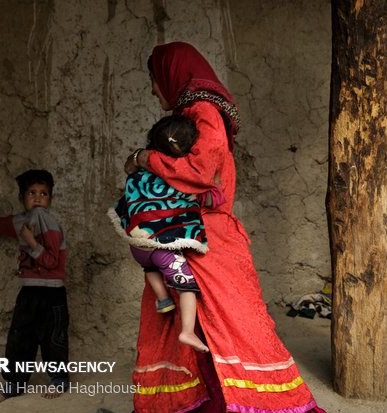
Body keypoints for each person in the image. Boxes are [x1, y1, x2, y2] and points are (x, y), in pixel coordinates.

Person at [123, 42, 324, 412]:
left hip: (207, 240)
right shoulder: (192, 114)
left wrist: (144, 158)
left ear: (170, 76)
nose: (153, 89)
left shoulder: (203, 112)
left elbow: (199, 172)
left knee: (236, 330)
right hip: (184, 236)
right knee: (189, 334)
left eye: (154, 79)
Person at [109, 114, 225, 354]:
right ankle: (187, 331)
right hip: (163, 248)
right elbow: (214, 200)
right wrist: (213, 183)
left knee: (149, 268)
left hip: (137, 247)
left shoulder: (138, 175)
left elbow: (130, 189)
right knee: (187, 287)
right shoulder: (181, 182)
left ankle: (162, 299)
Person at [0, 169, 70, 402]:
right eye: (32, 193)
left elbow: (52, 261)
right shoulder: (21, 220)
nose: (38, 198)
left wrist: (31, 242)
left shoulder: (49, 223)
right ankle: (15, 383)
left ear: (51, 199)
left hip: (52, 292)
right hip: (29, 290)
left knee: (53, 338)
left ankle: (59, 379)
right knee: (21, 337)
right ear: (21, 198)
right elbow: (0, 225)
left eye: (44, 194)